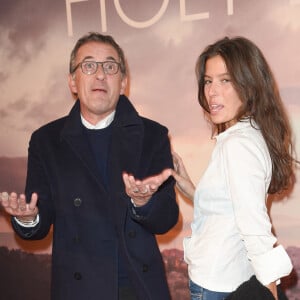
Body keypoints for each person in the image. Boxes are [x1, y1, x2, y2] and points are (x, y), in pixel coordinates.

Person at [0, 32, 178, 300]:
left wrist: (144, 204)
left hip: (137, 287)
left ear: (123, 82)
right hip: (78, 289)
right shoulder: (46, 141)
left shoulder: (152, 135)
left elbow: (167, 218)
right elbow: (40, 217)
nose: (100, 75)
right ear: (72, 81)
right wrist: (28, 218)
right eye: (89, 65)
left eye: (110, 66)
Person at [171, 37, 296, 300]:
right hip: (226, 277)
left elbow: (253, 224)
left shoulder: (237, 144)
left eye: (225, 80)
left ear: (249, 84)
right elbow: (233, 207)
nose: (212, 92)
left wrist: (271, 294)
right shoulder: (250, 135)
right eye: (208, 81)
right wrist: (192, 189)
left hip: (216, 284)